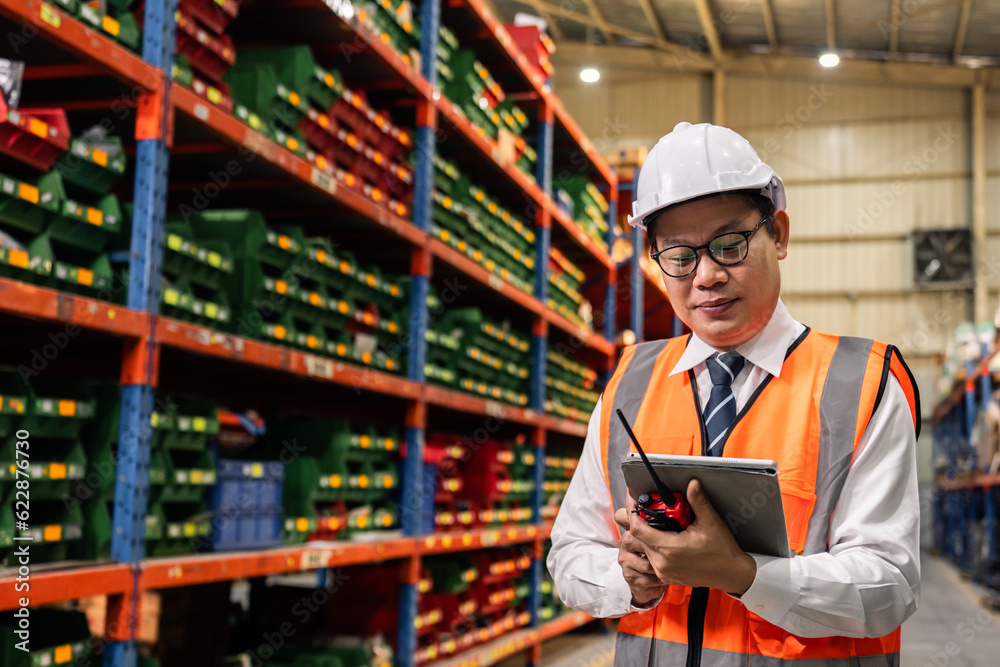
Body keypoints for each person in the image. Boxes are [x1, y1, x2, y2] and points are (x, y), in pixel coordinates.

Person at [547, 122, 921, 666]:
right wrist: (628, 580)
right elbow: (571, 555)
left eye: (730, 245)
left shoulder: (861, 384)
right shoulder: (628, 384)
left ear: (781, 235)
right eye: (679, 256)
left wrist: (742, 575)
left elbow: (890, 585)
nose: (706, 276)